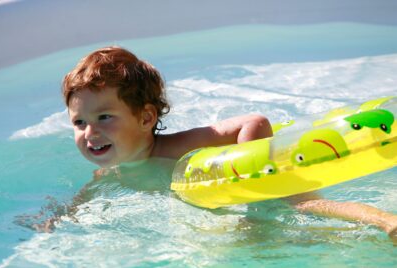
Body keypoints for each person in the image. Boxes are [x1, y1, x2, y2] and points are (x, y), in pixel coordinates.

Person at [59, 46, 396, 238]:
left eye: (104, 118)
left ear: (146, 118)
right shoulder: (110, 172)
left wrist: (255, 195)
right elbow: (84, 200)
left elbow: (254, 122)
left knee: (307, 205)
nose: (90, 133)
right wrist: (59, 217)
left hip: (266, 182)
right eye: (79, 122)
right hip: (231, 207)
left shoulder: (178, 146)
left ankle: (386, 221)